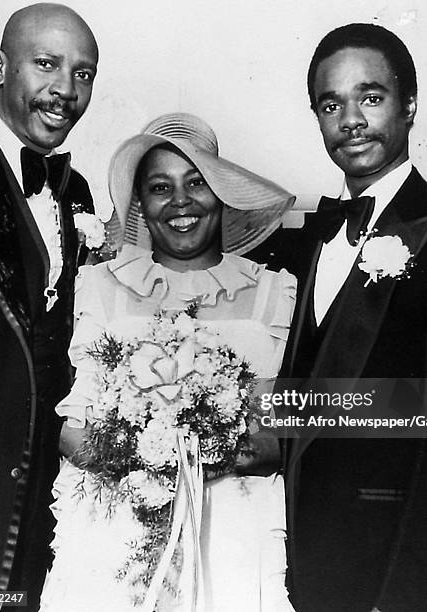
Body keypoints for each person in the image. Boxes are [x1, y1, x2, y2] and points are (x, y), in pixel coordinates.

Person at [249, 23, 427, 612]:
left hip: (392, 580)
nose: (351, 120)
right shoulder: (308, 240)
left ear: (409, 104)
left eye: (371, 97)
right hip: (293, 572)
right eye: (331, 104)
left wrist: (408, 597)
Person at [38, 112, 297, 611]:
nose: (181, 201)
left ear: (221, 194)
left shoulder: (275, 290)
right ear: (141, 203)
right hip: (117, 528)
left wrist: (201, 448)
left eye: (197, 182)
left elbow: (276, 440)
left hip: (231, 531)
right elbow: (72, 430)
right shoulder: (99, 284)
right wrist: (144, 456)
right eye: (160, 186)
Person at [0, 3, 98, 608]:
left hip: (47, 494)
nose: (65, 90)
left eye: (84, 74)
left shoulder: (77, 191)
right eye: (46, 64)